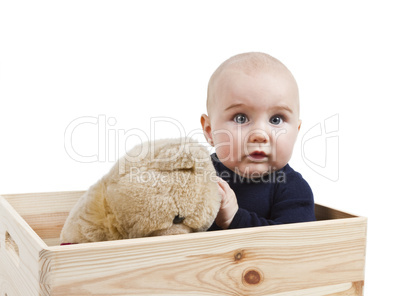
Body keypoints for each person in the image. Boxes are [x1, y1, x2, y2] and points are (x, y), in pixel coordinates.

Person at [200, 52, 315, 230]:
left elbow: (292, 247)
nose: (260, 135)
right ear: (209, 131)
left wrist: (234, 218)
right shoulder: (198, 175)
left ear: (296, 132)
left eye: (276, 119)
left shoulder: (293, 190)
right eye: (240, 118)